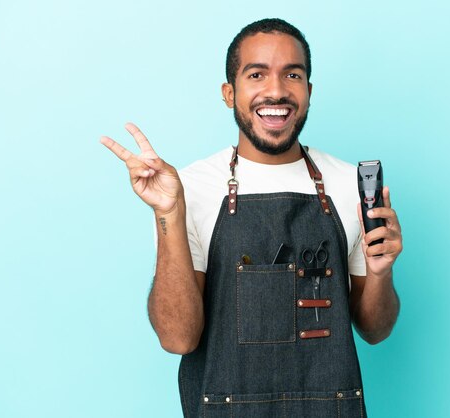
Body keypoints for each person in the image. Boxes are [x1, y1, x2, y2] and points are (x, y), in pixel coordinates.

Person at [101, 18, 402, 418]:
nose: (276, 91)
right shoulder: (188, 188)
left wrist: (381, 272)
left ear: (308, 92)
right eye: (256, 74)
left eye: (292, 74)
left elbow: (375, 330)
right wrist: (170, 214)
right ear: (230, 93)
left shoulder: (349, 184)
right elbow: (178, 338)